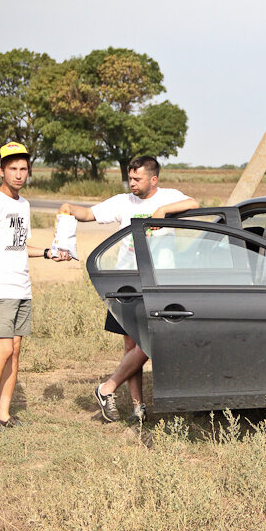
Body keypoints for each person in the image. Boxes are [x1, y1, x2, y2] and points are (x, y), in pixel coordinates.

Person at [58, 155, 199, 424]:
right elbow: (88, 214)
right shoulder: (123, 202)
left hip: (159, 283)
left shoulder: (168, 197)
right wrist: (68, 208)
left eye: (137, 178)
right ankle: (138, 407)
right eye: (130, 178)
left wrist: (163, 211)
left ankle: (107, 387)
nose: (132, 183)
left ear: (153, 179)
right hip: (127, 283)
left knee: (152, 340)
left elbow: (195, 204)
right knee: (132, 346)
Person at [0, 142, 69, 429]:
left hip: (22, 288)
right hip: (0, 289)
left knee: (15, 352)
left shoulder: (24, 204)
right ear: (1, 170)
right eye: (12, 168)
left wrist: (46, 252)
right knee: (2, 351)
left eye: (23, 169)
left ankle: (4, 413)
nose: (18, 174)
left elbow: (20, 245)